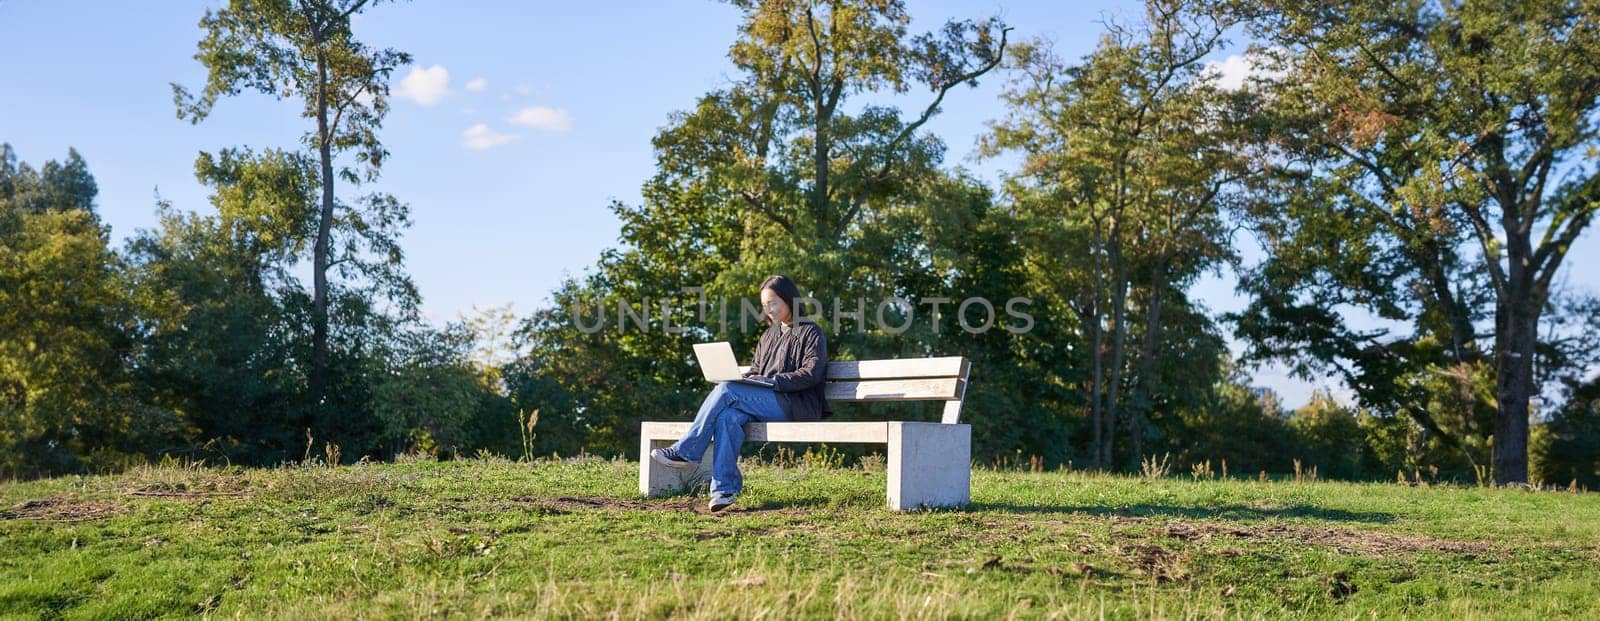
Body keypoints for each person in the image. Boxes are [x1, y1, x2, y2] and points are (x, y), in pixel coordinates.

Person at [649, 274, 830, 511]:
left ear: (790, 300)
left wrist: (772, 381)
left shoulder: (810, 332)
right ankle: (724, 491)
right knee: (728, 417)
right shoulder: (768, 336)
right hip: (765, 402)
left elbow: (811, 373)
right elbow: (756, 370)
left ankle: (686, 451)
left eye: (773, 302)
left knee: (726, 389)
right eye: (765, 305)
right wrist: (749, 379)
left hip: (794, 404)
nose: (769, 310)